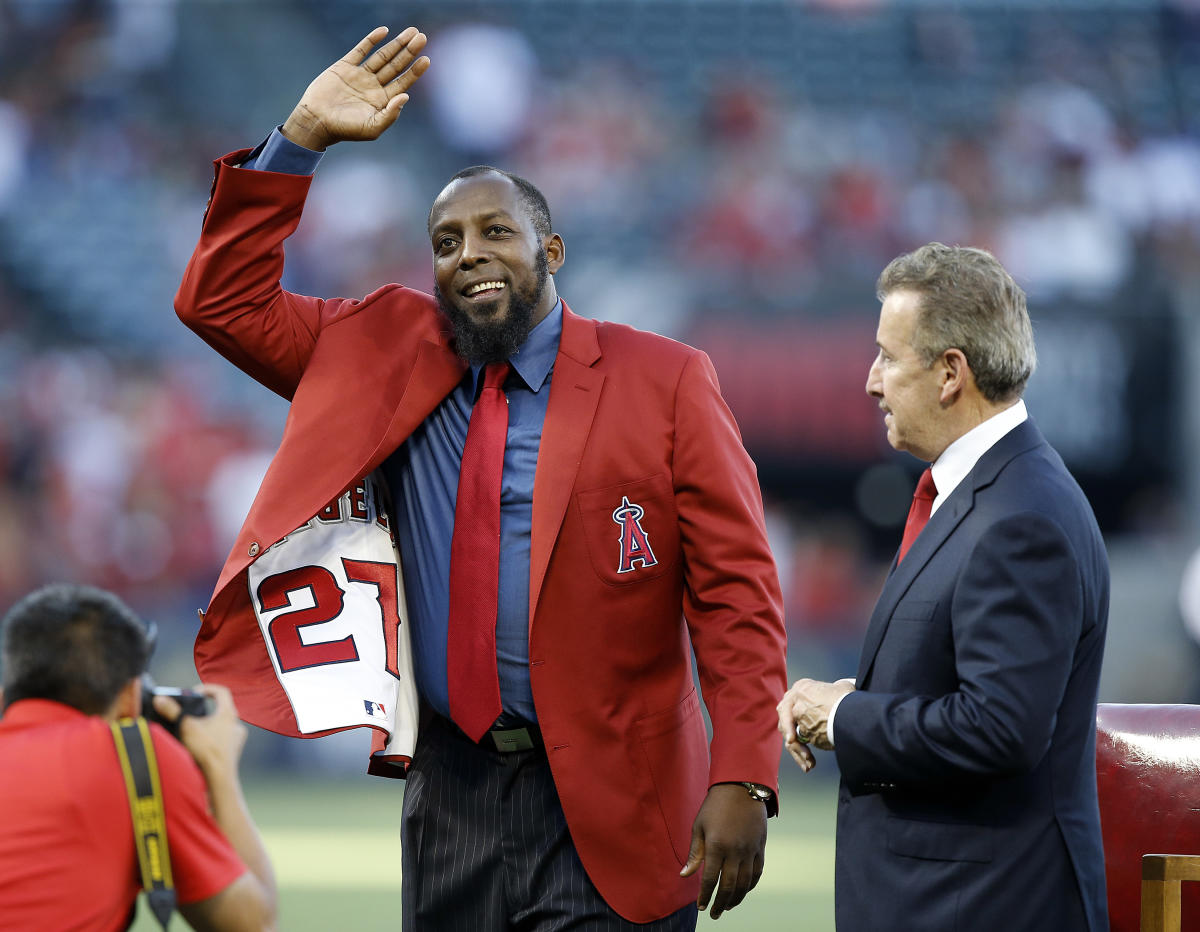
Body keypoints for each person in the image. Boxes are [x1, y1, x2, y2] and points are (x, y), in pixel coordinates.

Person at [174, 25, 787, 930]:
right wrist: (300, 137)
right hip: (450, 791)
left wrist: (744, 776)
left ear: (554, 251)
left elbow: (737, 594)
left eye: (498, 231)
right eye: (447, 241)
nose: (470, 254)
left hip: (617, 795)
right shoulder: (380, 345)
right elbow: (220, 301)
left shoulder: (665, 378)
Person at [776, 243, 1109, 931]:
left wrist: (841, 721)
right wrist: (863, 699)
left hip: (981, 908)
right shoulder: (985, 495)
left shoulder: (1021, 517)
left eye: (888, 358)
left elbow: (999, 729)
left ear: (951, 373)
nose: (871, 382)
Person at [0, 583, 277, 932]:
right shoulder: (134, 753)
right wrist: (218, 767)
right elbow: (254, 925)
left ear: (4, 696)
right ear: (132, 697)